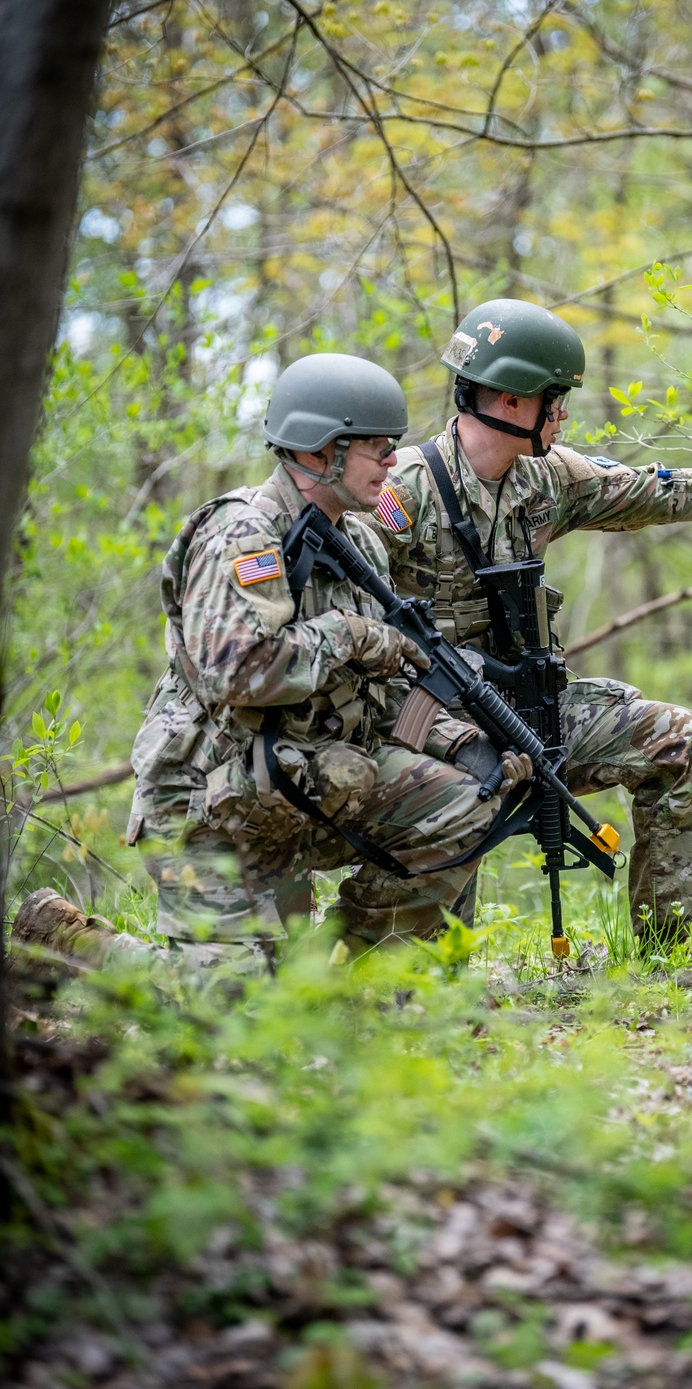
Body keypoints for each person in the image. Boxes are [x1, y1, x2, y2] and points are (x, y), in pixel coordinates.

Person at [363, 299, 692, 950]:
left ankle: (662, 964)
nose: (563, 412)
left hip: (529, 709)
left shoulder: (549, 479)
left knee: (673, 741)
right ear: (513, 399)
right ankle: (374, 983)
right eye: (555, 397)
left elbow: (663, 489)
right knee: (431, 949)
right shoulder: (400, 493)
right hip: (432, 729)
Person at [126, 352, 530, 970]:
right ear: (320, 453)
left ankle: (342, 971)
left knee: (466, 799)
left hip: (306, 786)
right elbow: (236, 673)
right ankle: (70, 939)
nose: (396, 463)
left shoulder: (363, 538)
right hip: (211, 803)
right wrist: (346, 633)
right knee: (224, 1010)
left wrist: (463, 743)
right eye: (379, 449)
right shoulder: (242, 536)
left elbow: (384, 684)